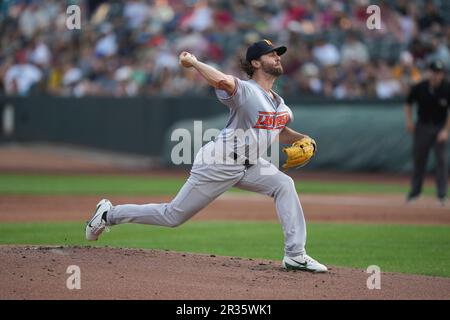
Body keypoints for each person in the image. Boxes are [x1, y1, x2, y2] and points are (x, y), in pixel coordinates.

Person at [85, 40, 327, 272]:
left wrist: (306, 140)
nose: (277, 57)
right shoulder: (246, 90)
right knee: (172, 216)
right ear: (255, 63)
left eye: (278, 53)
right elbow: (221, 81)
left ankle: (295, 255)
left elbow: (279, 129)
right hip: (219, 161)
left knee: (284, 184)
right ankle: (109, 214)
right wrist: (195, 63)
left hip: (250, 165)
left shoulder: (280, 104)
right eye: (272, 53)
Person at [405, 60, 449, 205]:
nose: (436, 75)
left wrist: (446, 130)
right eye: (434, 72)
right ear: (429, 72)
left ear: (442, 74)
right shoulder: (420, 87)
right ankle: (415, 193)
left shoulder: (447, 88)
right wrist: (409, 121)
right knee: (419, 160)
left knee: (441, 161)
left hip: (439, 127)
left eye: (439, 73)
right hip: (422, 126)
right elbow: (408, 102)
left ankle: (441, 195)